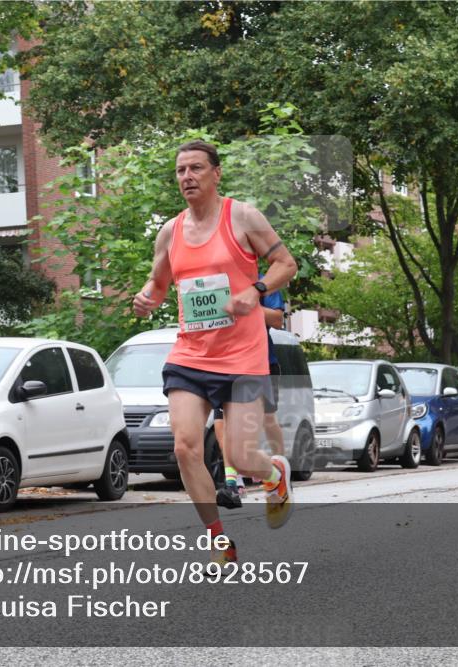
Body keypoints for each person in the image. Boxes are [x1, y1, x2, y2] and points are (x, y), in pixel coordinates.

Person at [132, 140, 299, 564]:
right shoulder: (170, 232)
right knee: (185, 447)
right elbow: (159, 282)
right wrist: (146, 297)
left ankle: (274, 473)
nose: (187, 177)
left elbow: (286, 264)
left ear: (216, 173)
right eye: (180, 170)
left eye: (196, 168)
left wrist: (255, 290)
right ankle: (220, 543)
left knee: (241, 456)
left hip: (243, 356)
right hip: (191, 355)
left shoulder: (242, 217)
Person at [213, 276, 287, 508]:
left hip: (261, 362)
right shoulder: (216, 281)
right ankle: (232, 484)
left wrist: (245, 304)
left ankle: (281, 473)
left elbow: (277, 320)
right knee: (222, 422)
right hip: (223, 362)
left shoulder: (263, 282)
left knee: (267, 420)